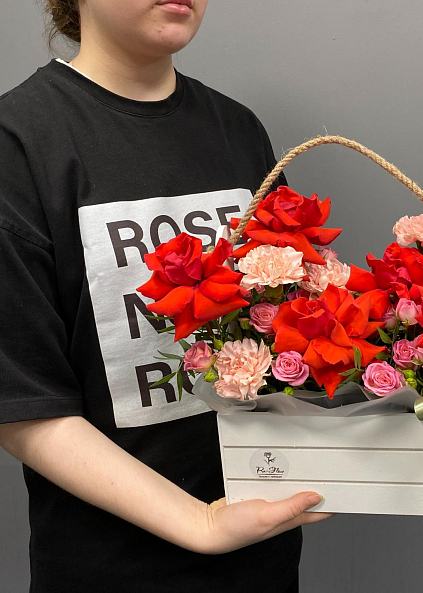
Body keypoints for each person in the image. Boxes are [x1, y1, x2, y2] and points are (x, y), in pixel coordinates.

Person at [0, 1, 332, 591]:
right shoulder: (19, 141)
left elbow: (289, 331)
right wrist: (199, 522)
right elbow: (24, 400)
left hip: (263, 556)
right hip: (108, 571)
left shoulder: (237, 130)